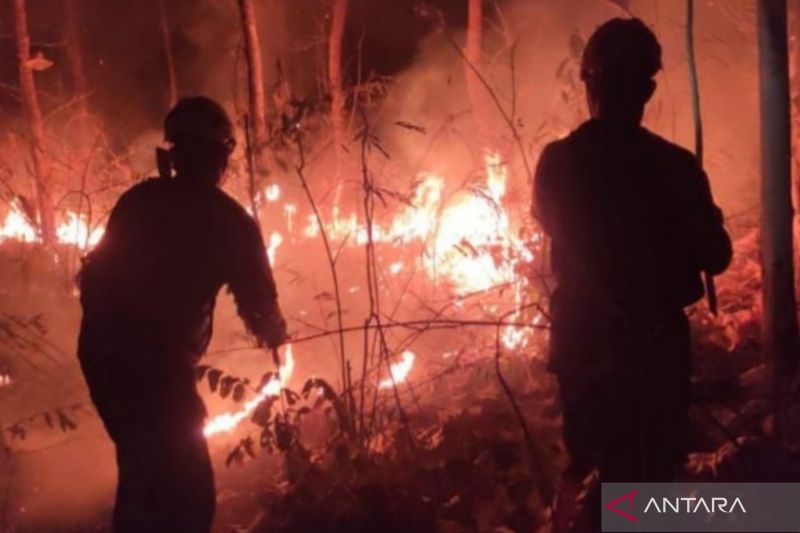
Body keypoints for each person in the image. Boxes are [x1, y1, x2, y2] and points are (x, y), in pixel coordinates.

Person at [533, 18, 732, 530]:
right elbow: (718, 255)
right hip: (656, 350)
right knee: (649, 485)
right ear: (647, 89)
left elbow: (552, 223)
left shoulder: (558, 163)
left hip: (585, 348)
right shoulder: (678, 168)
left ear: (587, 81)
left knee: (593, 473)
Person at [77, 96, 287, 533]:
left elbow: (92, 279)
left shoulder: (138, 201)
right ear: (221, 156)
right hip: (157, 373)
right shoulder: (228, 220)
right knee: (189, 497)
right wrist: (282, 347)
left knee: (141, 474)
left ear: (175, 151)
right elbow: (261, 304)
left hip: (102, 359)